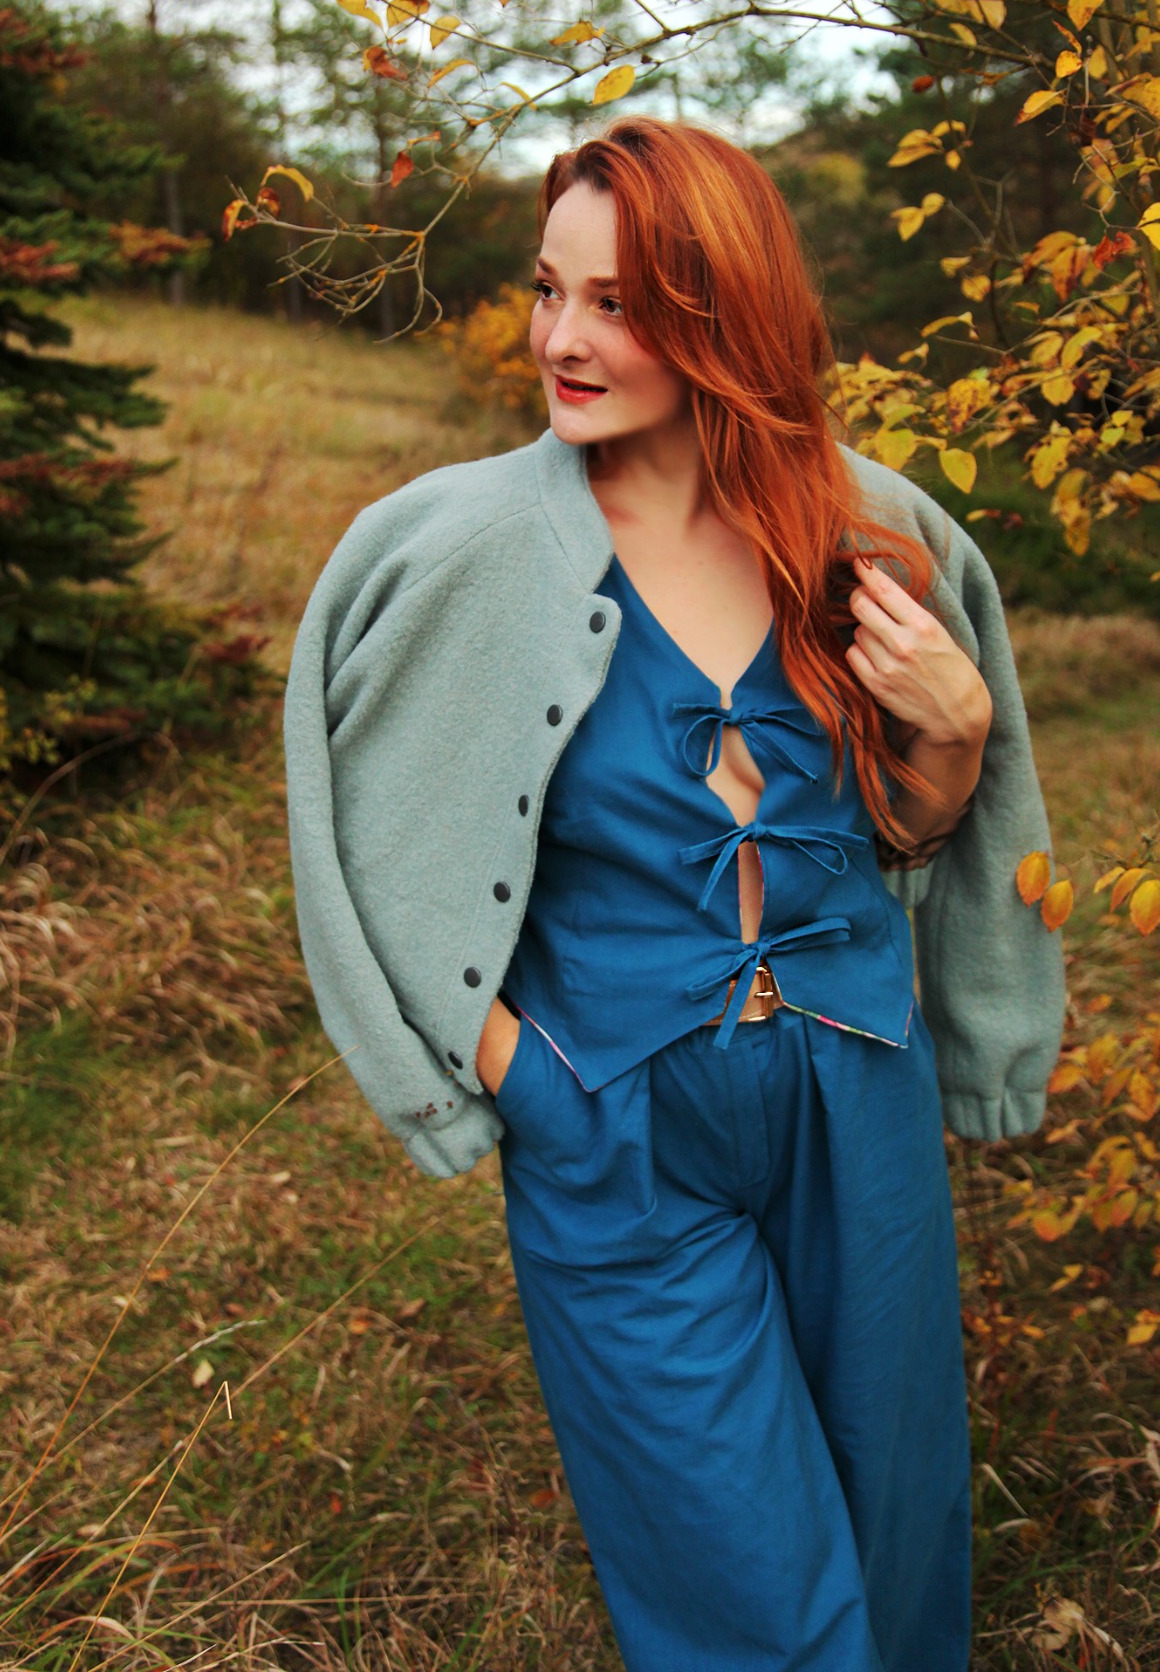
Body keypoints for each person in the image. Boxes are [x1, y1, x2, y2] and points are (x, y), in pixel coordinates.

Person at [282, 116, 1065, 1671]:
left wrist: (960, 734)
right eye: (548, 289)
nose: (560, 340)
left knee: (895, 1554)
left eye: (617, 304)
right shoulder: (454, 551)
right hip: (615, 1127)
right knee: (755, 1609)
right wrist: (514, 1074)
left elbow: (907, 833)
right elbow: (352, 833)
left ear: (727, 312)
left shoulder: (872, 531)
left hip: (860, 1098)